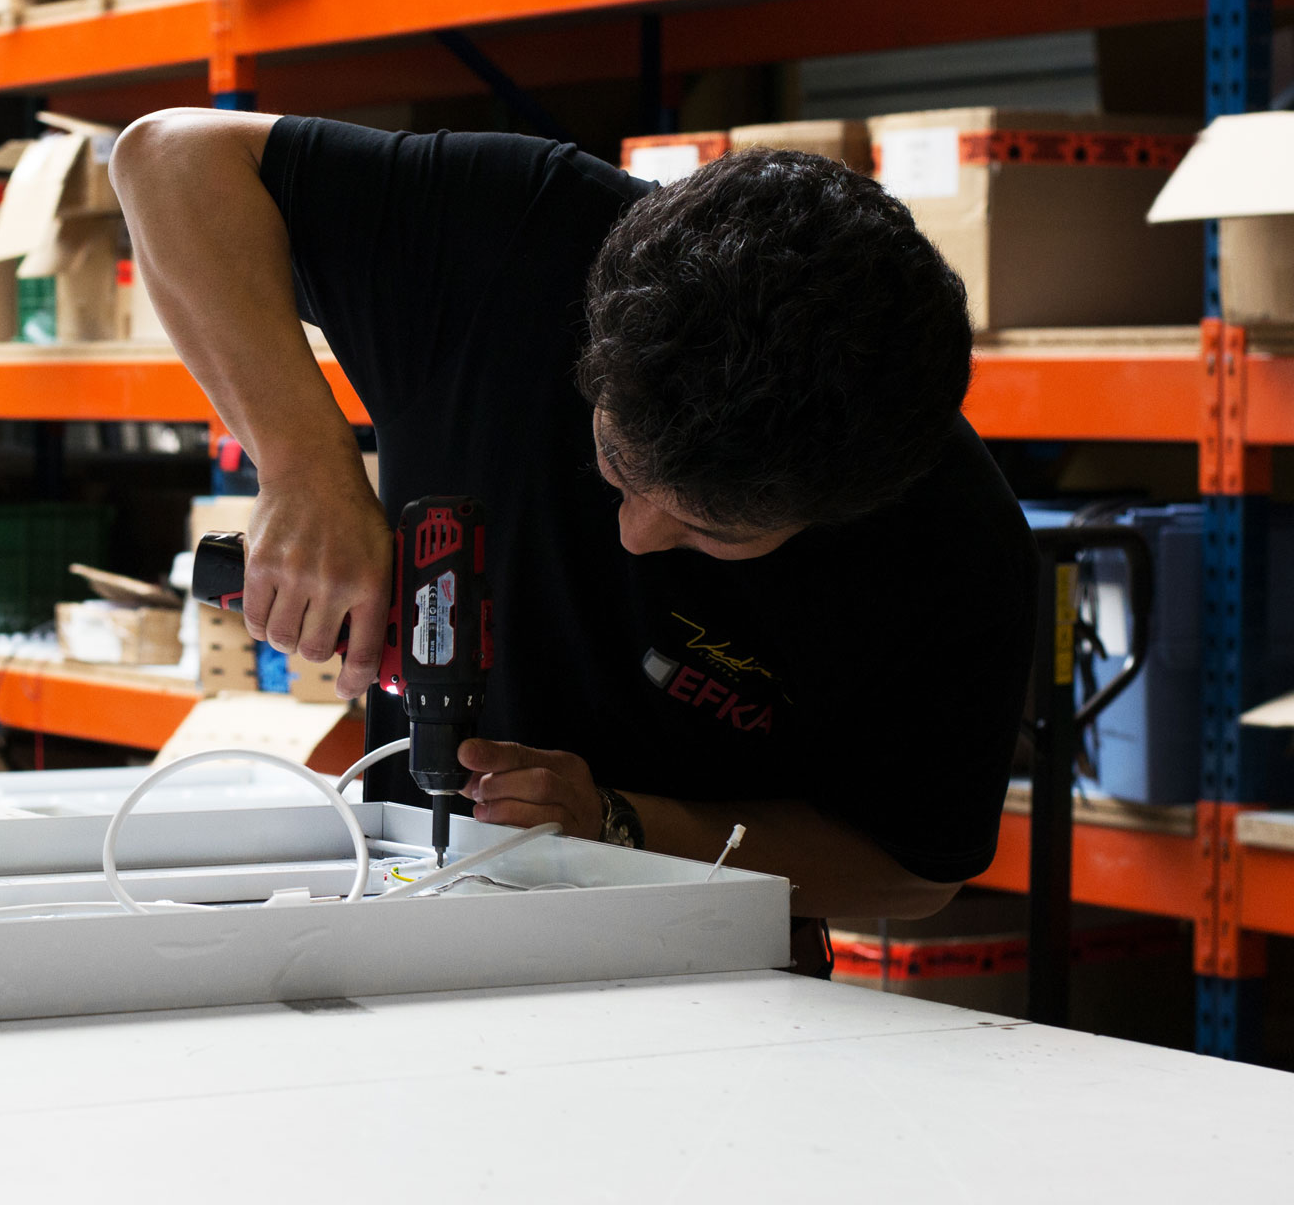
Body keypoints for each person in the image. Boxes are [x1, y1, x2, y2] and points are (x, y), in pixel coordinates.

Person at [111, 111, 1037, 965]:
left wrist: (618, 826)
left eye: (710, 532)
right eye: (616, 467)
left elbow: (913, 873)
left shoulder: (952, 545)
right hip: (408, 916)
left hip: (703, 979)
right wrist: (305, 468)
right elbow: (169, 160)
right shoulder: (526, 236)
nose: (636, 536)